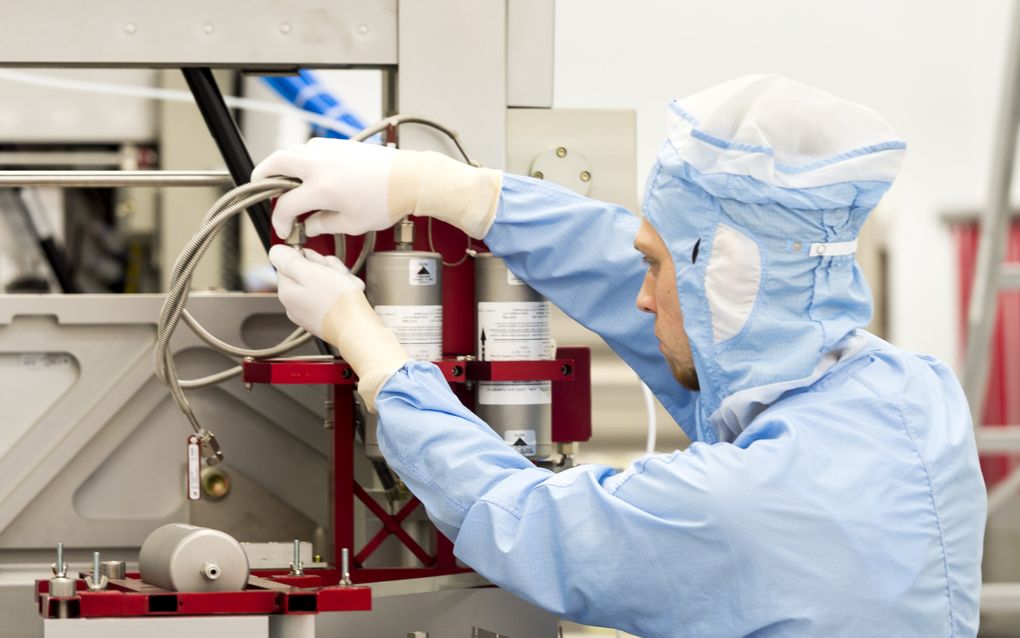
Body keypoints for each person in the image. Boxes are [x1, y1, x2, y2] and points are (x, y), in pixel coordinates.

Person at [253, 75, 985, 637]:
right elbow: (685, 305)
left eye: (657, 271)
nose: (639, 299)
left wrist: (374, 353)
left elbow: (520, 516)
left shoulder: (736, 505)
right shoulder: (916, 396)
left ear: (725, 282)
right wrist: (447, 191)